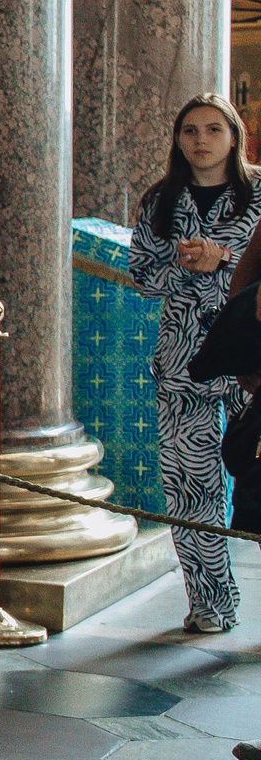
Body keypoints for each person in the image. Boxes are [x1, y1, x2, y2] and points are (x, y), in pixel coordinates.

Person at [129, 95, 257, 634]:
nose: (200, 140)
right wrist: (180, 263)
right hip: (184, 364)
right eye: (188, 130)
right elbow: (141, 272)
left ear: (234, 136)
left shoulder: (260, 195)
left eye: (212, 129)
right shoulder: (162, 199)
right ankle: (210, 602)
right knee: (190, 489)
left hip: (254, 359)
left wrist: (223, 256)